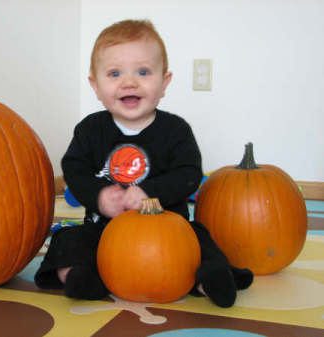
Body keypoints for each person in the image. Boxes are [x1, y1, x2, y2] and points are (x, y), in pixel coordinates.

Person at [35, 19, 253, 307]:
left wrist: (150, 191)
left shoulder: (175, 131)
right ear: (96, 86)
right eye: (114, 73)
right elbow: (74, 170)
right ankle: (79, 275)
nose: (129, 82)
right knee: (67, 239)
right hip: (104, 231)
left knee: (199, 237)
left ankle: (209, 278)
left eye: (143, 72)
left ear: (164, 83)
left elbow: (188, 174)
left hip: (167, 236)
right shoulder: (90, 130)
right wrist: (99, 196)